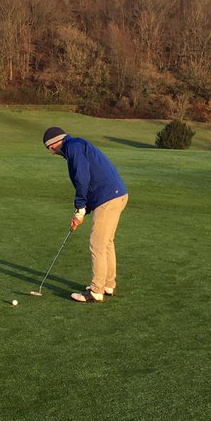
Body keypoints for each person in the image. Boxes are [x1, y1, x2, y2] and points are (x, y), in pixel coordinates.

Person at [42, 126, 129, 303]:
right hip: (116, 194)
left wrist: (80, 207)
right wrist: (83, 211)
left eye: (50, 150)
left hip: (108, 197)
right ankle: (108, 285)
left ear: (53, 145)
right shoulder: (77, 145)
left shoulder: (72, 147)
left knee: (97, 243)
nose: (53, 154)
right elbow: (88, 182)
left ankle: (96, 291)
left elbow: (83, 178)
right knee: (106, 243)